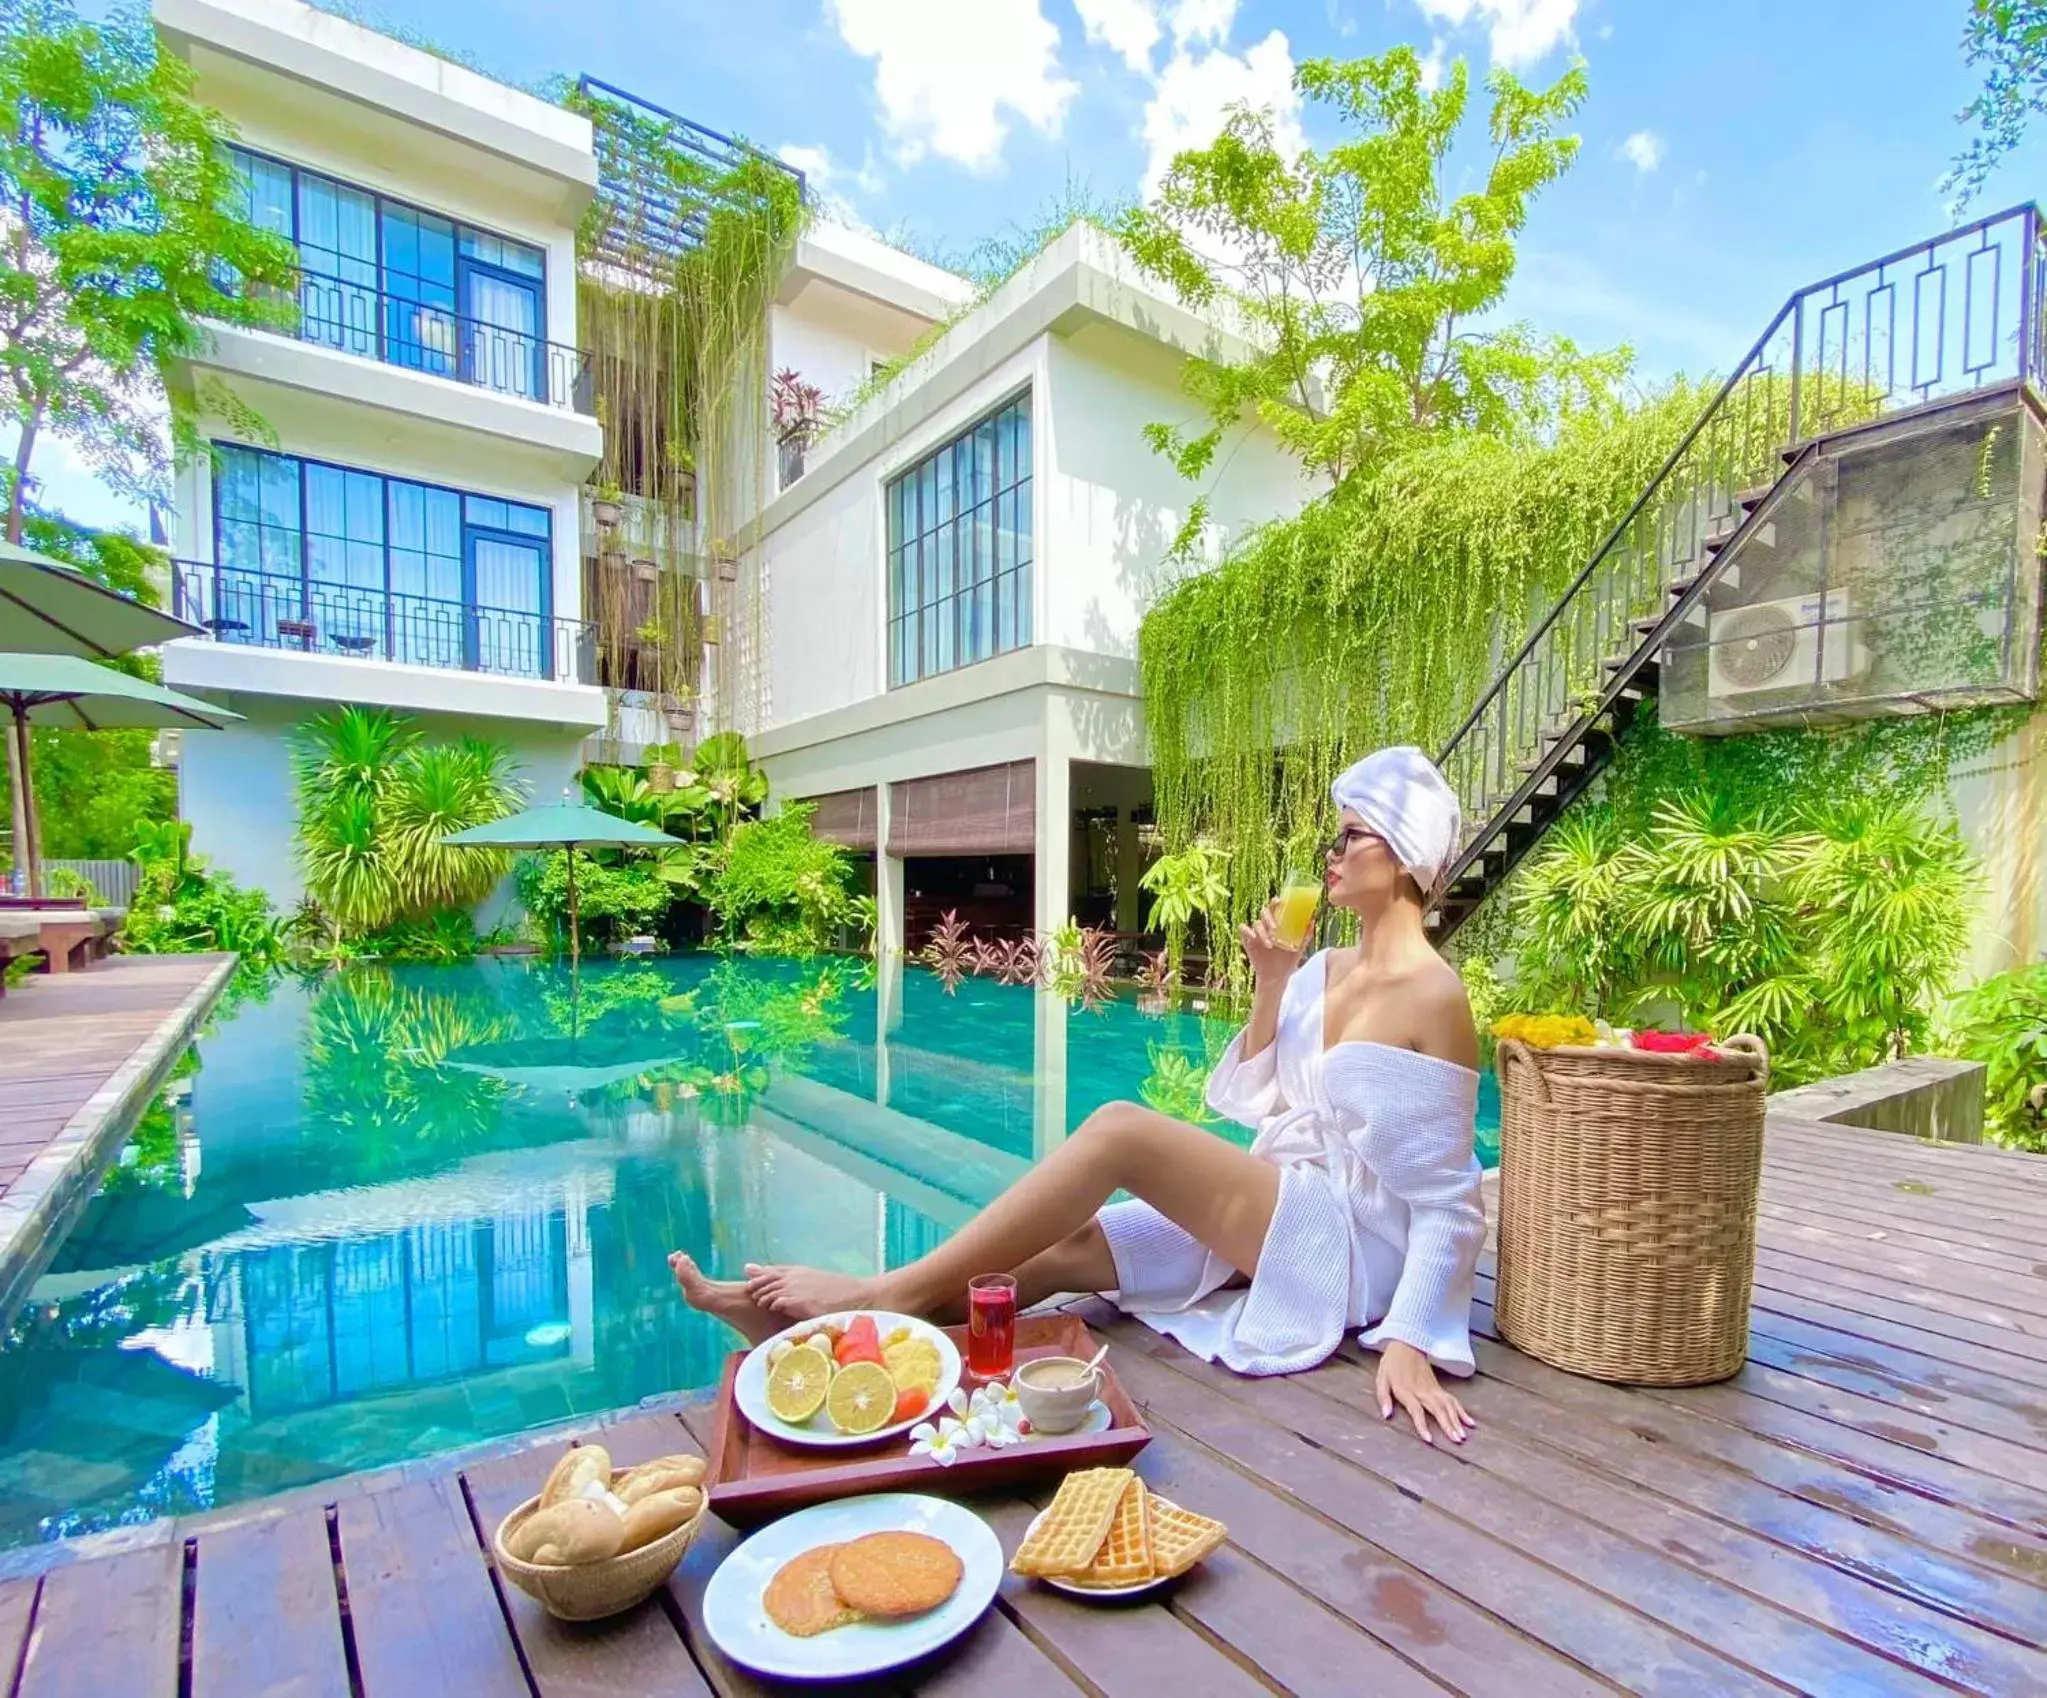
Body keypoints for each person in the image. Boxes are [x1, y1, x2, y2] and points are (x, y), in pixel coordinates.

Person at [671, 745, 1488, 1445]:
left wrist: (1410, 1338)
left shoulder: (1430, 994)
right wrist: (1272, 984)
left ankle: (887, 1290)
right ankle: (826, 1337)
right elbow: (1255, 1099)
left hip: (1354, 1249)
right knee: (1058, 1255)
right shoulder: (1322, 969)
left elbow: (1451, 1202)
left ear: (1403, 853)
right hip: (1295, 1206)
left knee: (1121, 1130)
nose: (1331, 855)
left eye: (1351, 835)